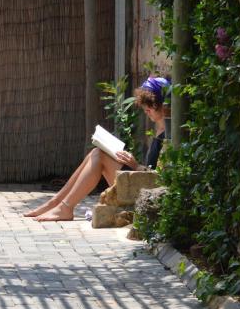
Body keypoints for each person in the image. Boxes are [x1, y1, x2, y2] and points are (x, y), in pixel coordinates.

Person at [24, 76, 171, 222]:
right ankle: (56, 202)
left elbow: (162, 177)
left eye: (151, 105)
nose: (146, 110)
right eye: (145, 105)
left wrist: (135, 165)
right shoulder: (159, 130)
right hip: (143, 183)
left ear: (163, 105)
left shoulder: (170, 136)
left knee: (99, 156)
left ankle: (65, 208)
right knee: (96, 152)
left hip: (149, 193)